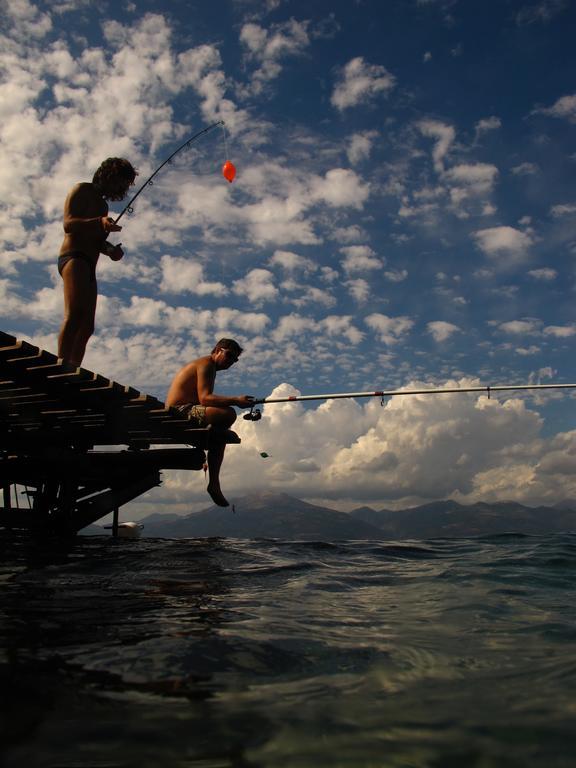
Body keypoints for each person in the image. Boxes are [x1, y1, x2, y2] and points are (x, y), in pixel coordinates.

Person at [57, 157, 138, 366]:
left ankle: (73, 369)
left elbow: (97, 240)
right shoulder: (81, 189)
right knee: (74, 315)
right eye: (121, 182)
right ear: (109, 176)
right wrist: (99, 222)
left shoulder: (103, 206)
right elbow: (69, 224)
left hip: (89, 265)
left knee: (87, 326)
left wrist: (111, 250)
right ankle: (61, 363)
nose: (122, 188)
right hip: (73, 258)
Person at [166, 339, 255, 507]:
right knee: (228, 414)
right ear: (217, 350)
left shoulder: (210, 367)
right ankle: (214, 483)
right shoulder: (206, 364)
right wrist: (236, 400)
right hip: (179, 411)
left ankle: (214, 484)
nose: (231, 361)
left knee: (220, 431)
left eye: (235, 359)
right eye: (229, 355)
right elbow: (205, 398)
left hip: (188, 409)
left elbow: (204, 400)